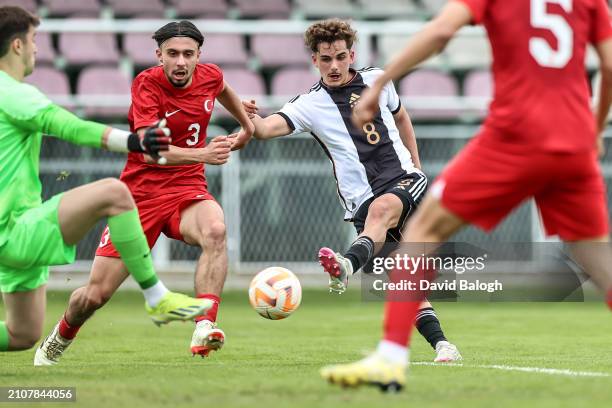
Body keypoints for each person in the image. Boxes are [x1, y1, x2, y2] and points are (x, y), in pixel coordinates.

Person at [321, 0, 612, 392]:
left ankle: (390, 358)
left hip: (515, 135)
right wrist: (594, 129)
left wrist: (381, 82)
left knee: (423, 229)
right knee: (596, 257)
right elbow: (609, 67)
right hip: (575, 141)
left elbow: (441, 33)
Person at [35, 21, 255, 365]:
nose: (180, 62)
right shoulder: (146, 85)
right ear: (159, 56)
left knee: (215, 230)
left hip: (187, 189)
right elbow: (153, 150)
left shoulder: (209, 74)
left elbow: (222, 88)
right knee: (95, 295)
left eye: (188, 54)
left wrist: (246, 124)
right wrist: (204, 154)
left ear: (199, 56)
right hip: (137, 198)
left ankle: (205, 325)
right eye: (172, 54)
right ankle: (60, 336)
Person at [243, 19, 461, 363]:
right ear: (314, 60)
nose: (334, 66)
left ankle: (346, 264)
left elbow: (401, 117)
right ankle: (443, 345)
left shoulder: (378, 80)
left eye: (340, 57)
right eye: (326, 59)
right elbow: (264, 130)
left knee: (382, 211)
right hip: (362, 199)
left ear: (351, 55)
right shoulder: (309, 105)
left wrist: (416, 165)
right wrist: (246, 116)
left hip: (403, 180)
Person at [0, 7, 213, 354]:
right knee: (115, 192)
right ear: (18, 46)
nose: (38, 48)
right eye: (34, 39)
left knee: (22, 334)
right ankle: (156, 296)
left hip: (20, 229)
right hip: (14, 230)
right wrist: (133, 141)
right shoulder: (13, 93)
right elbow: (70, 127)